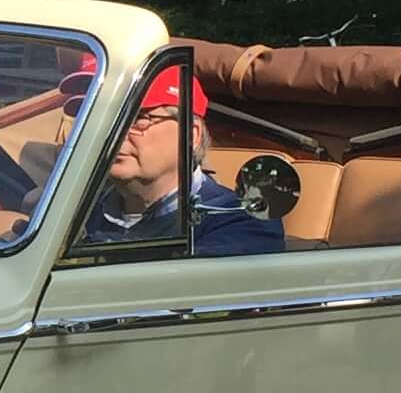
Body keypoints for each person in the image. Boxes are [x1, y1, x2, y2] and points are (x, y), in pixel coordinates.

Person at [88, 68, 284, 256]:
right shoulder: (81, 207)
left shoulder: (239, 220)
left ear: (190, 135)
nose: (114, 133)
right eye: (102, 118)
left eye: (139, 118)